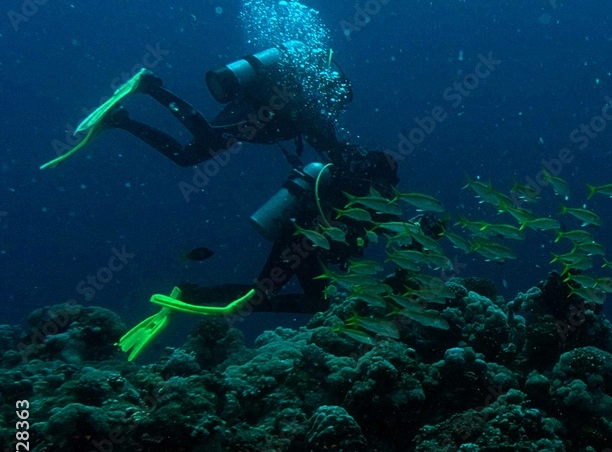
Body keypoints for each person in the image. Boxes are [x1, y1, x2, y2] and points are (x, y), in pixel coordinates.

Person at [42, 42, 406, 359]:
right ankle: (150, 87)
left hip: (265, 135)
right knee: (209, 140)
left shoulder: (320, 123)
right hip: (264, 133)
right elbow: (333, 159)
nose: (336, 108)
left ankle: (121, 121)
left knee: (189, 155)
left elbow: (332, 160)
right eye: (337, 101)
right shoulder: (316, 114)